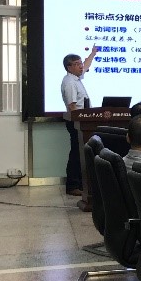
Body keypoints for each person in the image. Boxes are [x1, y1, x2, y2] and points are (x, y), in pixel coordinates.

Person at [61, 45, 98, 196]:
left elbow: (87, 65)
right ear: (69, 67)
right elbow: (72, 106)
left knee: (80, 152)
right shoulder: (70, 82)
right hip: (77, 122)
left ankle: (81, 184)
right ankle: (72, 185)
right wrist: (82, 120)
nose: (81, 66)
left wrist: (93, 53)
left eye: (80, 63)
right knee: (77, 153)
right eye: (77, 64)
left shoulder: (76, 78)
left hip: (83, 122)